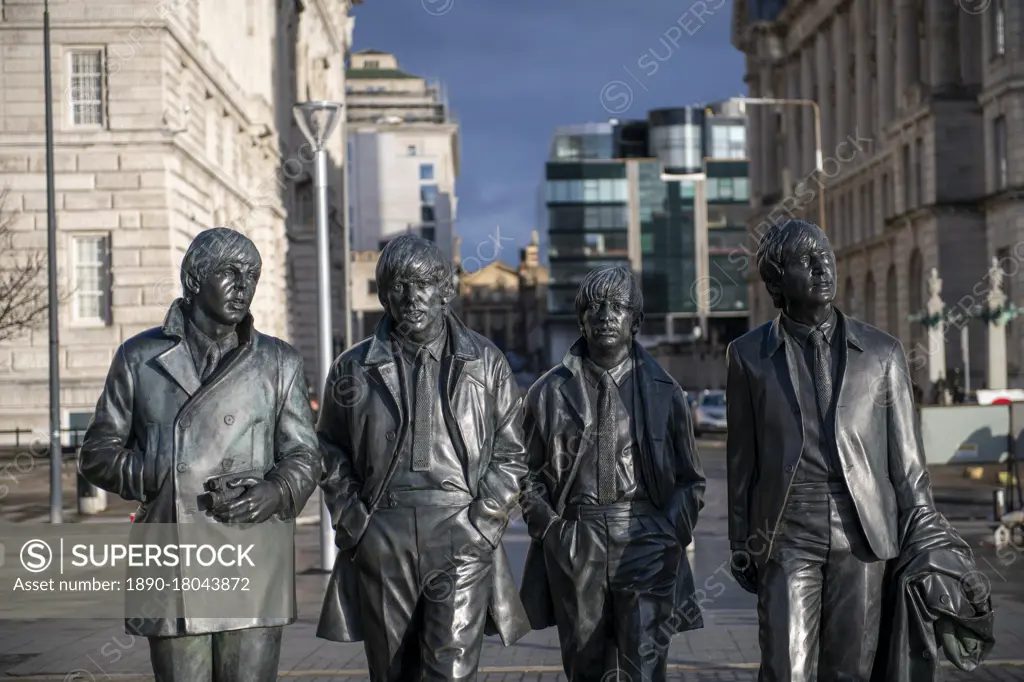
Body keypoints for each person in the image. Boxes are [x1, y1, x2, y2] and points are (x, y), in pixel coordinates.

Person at [80, 227, 321, 682]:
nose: (243, 286)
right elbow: (96, 453)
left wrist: (275, 490)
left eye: (251, 275)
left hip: (251, 559)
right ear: (194, 279)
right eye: (229, 273)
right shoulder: (139, 358)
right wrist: (156, 468)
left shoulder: (278, 362)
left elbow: (305, 455)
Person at [725, 219, 939, 681]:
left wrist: (929, 544)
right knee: (787, 669)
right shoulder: (747, 355)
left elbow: (909, 467)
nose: (823, 267)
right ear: (778, 280)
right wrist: (740, 540)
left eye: (826, 254)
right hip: (785, 531)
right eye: (806, 260)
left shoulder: (883, 353)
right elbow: (742, 459)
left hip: (862, 533)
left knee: (850, 671)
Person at [315, 234, 531, 682]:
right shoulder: (353, 368)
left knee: (449, 671)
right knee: (392, 671)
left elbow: (512, 453)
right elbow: (329, 448)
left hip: (460, 528)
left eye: (424, 284)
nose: (412, 297)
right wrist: (355, 520)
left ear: (446, 290)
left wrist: (483, 524)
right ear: (383, 293)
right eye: (398, 285)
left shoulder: (485, 362)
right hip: (383, 529)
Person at [519, 265, 706, 682]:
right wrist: (552, 531)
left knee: (644, 665)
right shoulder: (547, 393)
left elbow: (690, 479)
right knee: (585, 666)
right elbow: (524, 474)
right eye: (595, 306)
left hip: (645, 537)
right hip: (576, 539)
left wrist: (667, 533)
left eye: (618, 306)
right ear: (581, 319)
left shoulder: (666, 391)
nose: (606, 315)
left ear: (635, 321)